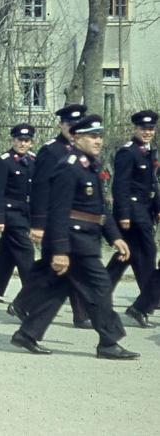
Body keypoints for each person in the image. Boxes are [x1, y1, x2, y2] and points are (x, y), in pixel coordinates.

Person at [10, 115, 138, 360]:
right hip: (73, 242)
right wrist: (60, 251)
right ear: (77, 138)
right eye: (92, 136)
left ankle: (27, 334)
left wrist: (114, 237)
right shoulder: (69, 167)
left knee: (57, 289)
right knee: (100, 287)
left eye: (100, 136)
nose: (98, 141)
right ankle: (108, 342)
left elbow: (99, 209)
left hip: (84, 239)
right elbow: (58, 211)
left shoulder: (91, 165)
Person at [10, 104, 90, 328]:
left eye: (78, 125)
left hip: (74, 220)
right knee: (56, 266)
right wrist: (38, 224)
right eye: (69, 124)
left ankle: (78, 313)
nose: (74, 129)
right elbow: (40, 189)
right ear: (61, 125)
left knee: (66, 266)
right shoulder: (51, 151)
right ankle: (26, 305)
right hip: (54, 221)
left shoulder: (82, 150)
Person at [0, 124, 36, 303]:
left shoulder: (34, 160)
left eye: (26, 141)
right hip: (11, 215)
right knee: (26, 252)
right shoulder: (4, 161)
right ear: (12, 140)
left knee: (7, 253)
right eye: (19, 140)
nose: (22, 144)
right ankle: (33, 295)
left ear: (31, 143)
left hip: (25, 213)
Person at [106, 110, 160, 300]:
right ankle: (149, 298)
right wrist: (123, 214)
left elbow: (153, 183)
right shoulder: (127, 152)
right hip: (133, 211)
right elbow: (120, 186)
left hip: (146, 208)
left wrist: (157, 208)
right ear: (135, 128)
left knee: (127, 254)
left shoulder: (150, 151)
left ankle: (97, 293)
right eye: (143, 129)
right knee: (147, 251)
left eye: (151, 129)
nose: (147, 132)